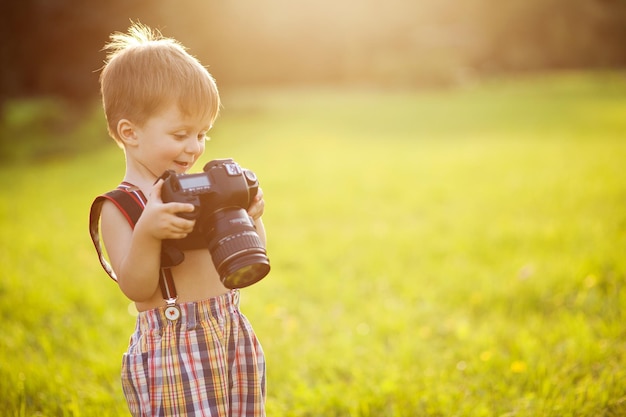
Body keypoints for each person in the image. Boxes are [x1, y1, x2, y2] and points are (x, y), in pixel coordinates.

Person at [92, 23, 266, 416]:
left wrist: (252, 218)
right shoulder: (120, 207)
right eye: (181, 133)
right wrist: (149, 233)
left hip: (230, 334)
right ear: (129, 132)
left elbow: (248, 257)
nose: (195, 147)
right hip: (173, 350)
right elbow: (136, 288)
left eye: (203, 134)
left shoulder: (200, 190)